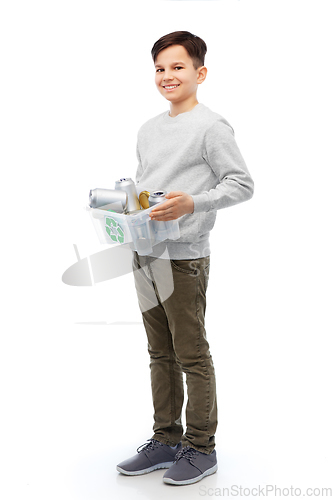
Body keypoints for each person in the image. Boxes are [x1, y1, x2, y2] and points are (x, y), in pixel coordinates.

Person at [116, 31, 254, 486]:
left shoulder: (212, 127)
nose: (167, 76)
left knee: (191, 353)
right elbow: (145, 187)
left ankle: (201, 447)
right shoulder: (149, 129)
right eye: (159, 68)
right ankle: (166, 438)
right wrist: (122, 208)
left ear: (200, 73)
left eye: (177, 67)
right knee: (159, 352)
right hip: (145, 252)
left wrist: (192, 203)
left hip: (185, 257)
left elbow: (240, 184)